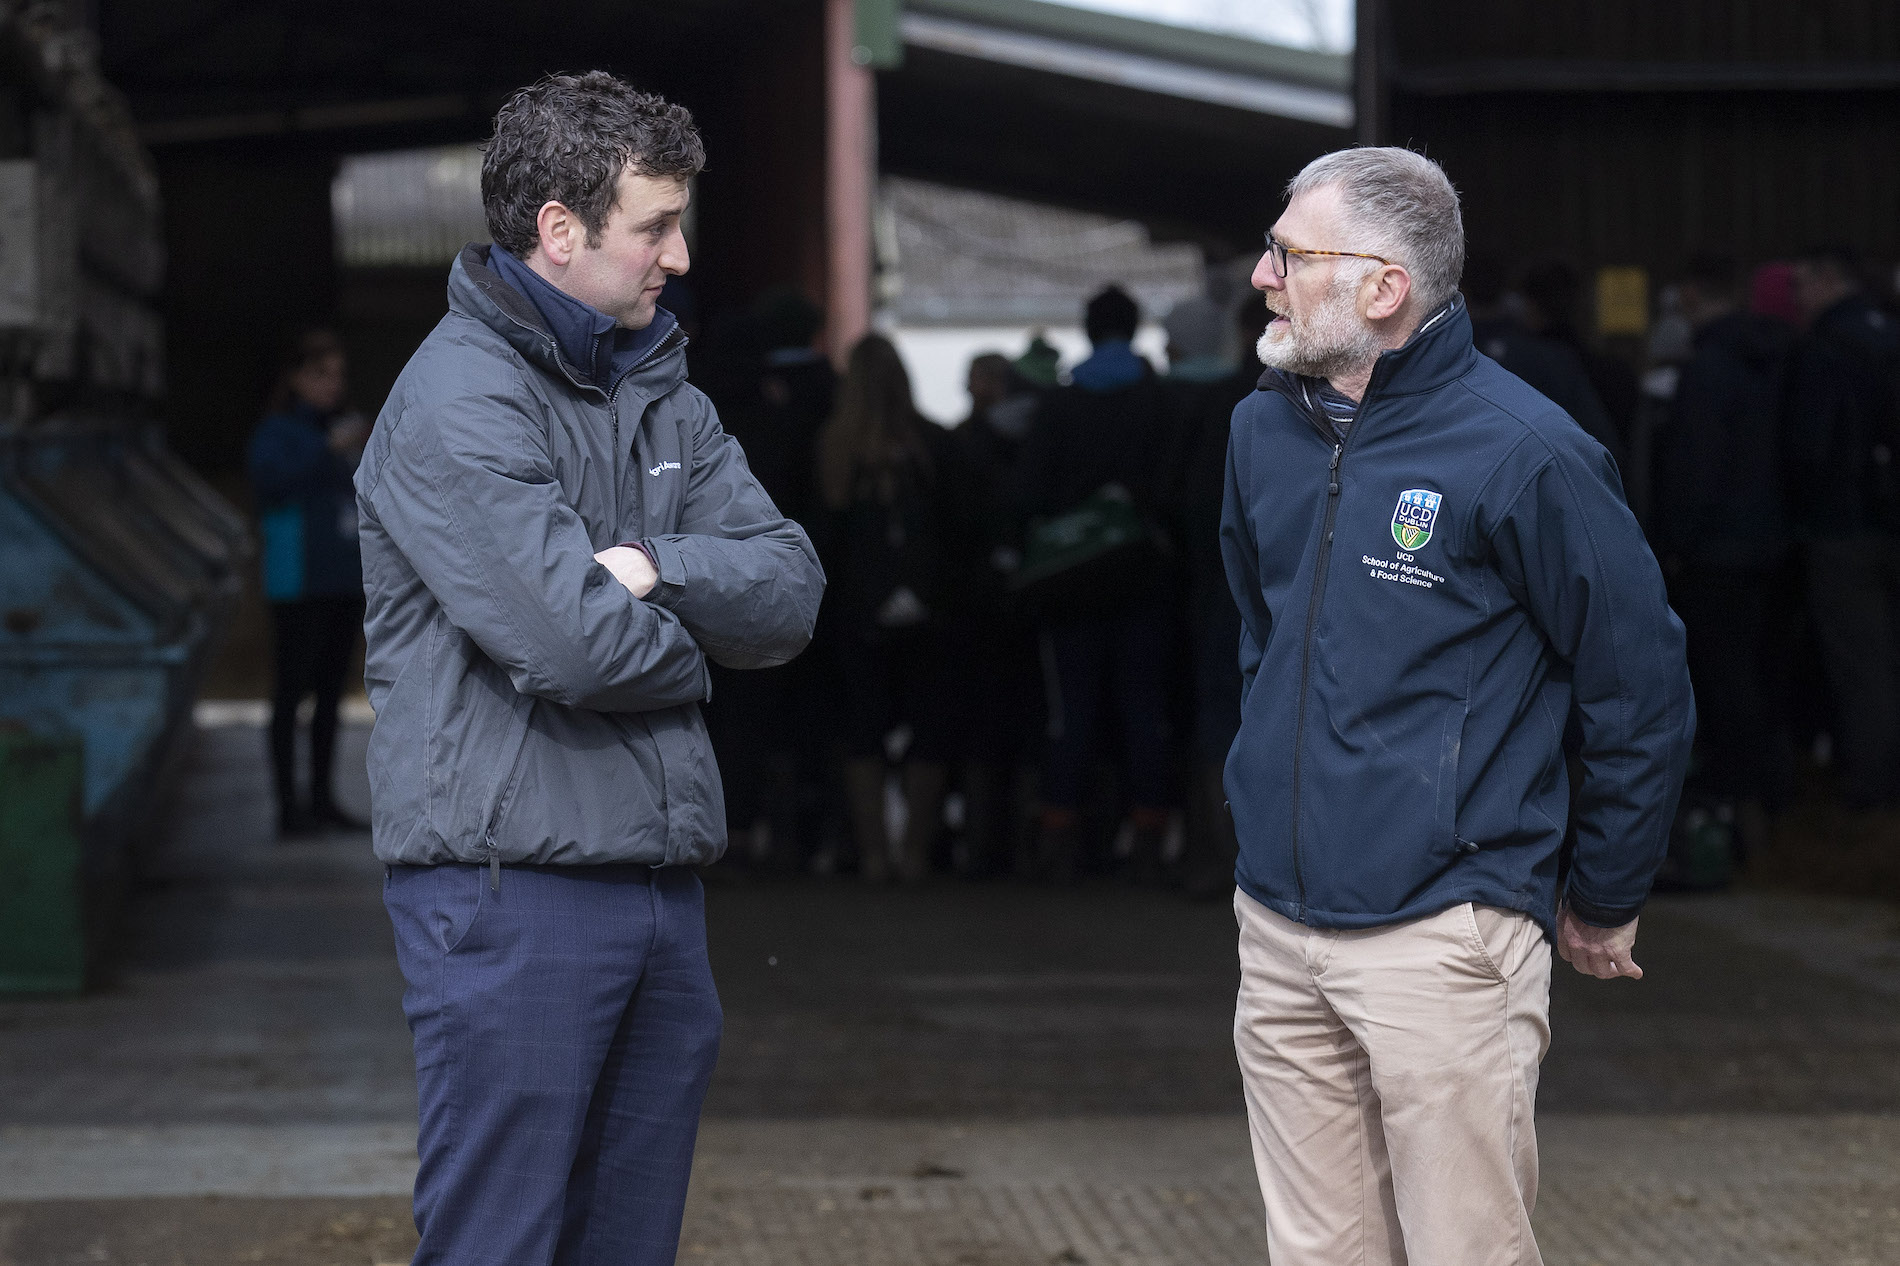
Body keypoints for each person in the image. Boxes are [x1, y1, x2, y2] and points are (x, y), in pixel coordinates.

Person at [354, 73, 824, 1266]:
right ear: (559, 231)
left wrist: (658, 566)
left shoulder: (658, 389)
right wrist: (694, 652)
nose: (678, 253)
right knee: (501, 1240)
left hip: (656, 883)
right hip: (512, 888)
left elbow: (789, 592)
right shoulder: (458, 403)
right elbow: (570, 643)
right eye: (654, 225)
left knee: (626, 1243)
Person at [1223, 147, 1694, 1266]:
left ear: (1382, 288)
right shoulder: (1259, 432)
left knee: (1463, 1252)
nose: (1260, 275)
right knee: (1317, 1255)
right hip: (1278, 923)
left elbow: (1637, 679)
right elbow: (1260, 636)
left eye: (1289, 253)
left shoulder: (1525, 452)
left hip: (1444, 930)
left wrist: (1605, 888)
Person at [1018, 284, 1178, 883]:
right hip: (1143, 577)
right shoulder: (1157, 400)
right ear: (1135, 330)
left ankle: (1061, 838)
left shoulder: (1060, 404)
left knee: (1073, 712)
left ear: (1086, 331)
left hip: (1071, 583)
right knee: (1143, 708)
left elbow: (1029, 491)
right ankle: (1147, 838)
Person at [1651, 254, 1794, 833]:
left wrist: (1674, 541)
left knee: (1722, 672)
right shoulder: (1779, 357)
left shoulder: (1708, 368)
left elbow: (1697, 465)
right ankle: (1771, 789)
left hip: (1716, 548)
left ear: (1689, 293)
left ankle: (1732, 791)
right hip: (1773, 538)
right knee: (1763, 669)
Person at [814, 334, 954, 883]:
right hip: (930, 611)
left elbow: (819, 537)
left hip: (855, 612)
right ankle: (915, 852)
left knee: (862, 733)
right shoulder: (934, 444)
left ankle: (873, 854)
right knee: (929, 731)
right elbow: (960, 531)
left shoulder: (831, 449)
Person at [1783, 245, 1900, 809]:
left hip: (1844, 527)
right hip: (1887, 517)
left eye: (1802, 284)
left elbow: (1809, 446)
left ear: (1830, 279)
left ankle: (1871, 790)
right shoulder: (1889, 333)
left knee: (1862, 665)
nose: (1796, 299)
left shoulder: (1825, 347)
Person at [247, 328, 368, 837]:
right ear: (296, 378)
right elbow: (272, 483)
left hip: (340, 579)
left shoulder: (341, 434)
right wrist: (325, 448)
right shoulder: (279, 433)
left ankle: (321, 798)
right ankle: (287, 806)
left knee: (329, 694)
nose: (331, 386)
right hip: (297, 582)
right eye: (320, 374)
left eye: (338, 375)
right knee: (290, 692)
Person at [1160, 294, 1259, 898]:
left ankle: (1229, 857)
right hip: (1315, 597)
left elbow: (1188, 504)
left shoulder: (1223, 403)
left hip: (1223, 592)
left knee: (1221, 721)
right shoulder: (1347, 400)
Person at [942, 352, 1043, 875]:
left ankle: (980, 848)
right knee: (1029, 727)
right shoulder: (1041, 437)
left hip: (973, 603)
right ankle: (1027, 849)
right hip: (1033, 599)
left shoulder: (962, 442)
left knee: (978, 729)